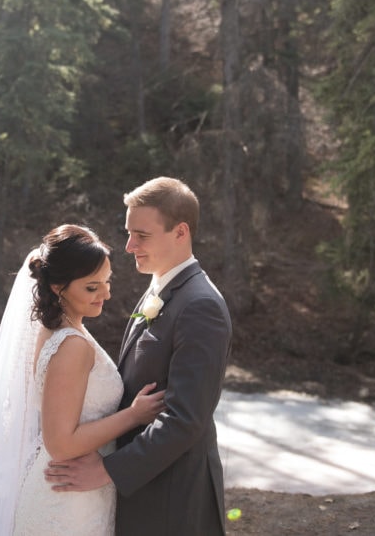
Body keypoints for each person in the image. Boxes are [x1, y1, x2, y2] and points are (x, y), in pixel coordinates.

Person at [44, 177, 233, 536]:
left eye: (141, 235)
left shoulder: (201, 305)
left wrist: (108, 470)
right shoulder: (161, 288)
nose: (129, 245)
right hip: (143, 491)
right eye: (128, 232)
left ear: (180, 233)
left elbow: (185, 419)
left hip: (172, 499)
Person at [0, 224, 166, 536]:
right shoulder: (72, 346)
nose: (106, 294)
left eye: (107, 282)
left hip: (74, 490)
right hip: (67, 503)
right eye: (92, 287)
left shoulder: (57, 330)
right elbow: (61, 443)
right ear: (58, 287)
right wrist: (134, 415)